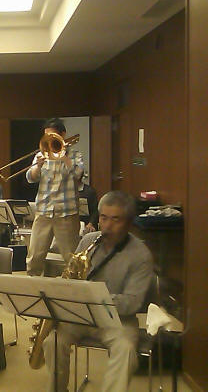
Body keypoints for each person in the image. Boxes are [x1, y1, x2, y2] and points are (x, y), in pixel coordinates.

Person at [43, 191, 153, 392]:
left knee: (126, 350)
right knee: (53, 342)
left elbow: (132, 303)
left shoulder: (141, 255)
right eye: (103, 218)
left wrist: (95, 297)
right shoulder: (88, 241)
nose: (107, 226)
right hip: (81, 314)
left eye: (115, 219)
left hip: (118, 319)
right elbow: (72, 277)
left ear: (129, 223)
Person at [25, 118, 85, 276]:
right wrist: (37, 166)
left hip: (66, 213)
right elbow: (30, 178)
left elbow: (78, 175)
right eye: (47, 136)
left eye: (52, 136)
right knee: (34, 257)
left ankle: (75, 287)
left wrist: (63, 156)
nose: (49, 140)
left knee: (71, 259)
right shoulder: (41, 154)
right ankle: (32, 285)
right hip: (43, 212)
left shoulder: (75, 155)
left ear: (62, 135)